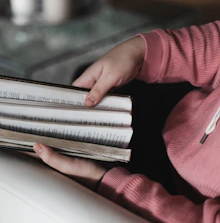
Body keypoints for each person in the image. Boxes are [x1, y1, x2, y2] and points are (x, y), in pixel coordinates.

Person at [33, 21, 220, 222]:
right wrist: (142, 51)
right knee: (92, 76)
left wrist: (106, 182)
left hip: (181, 200)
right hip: (189, 116)